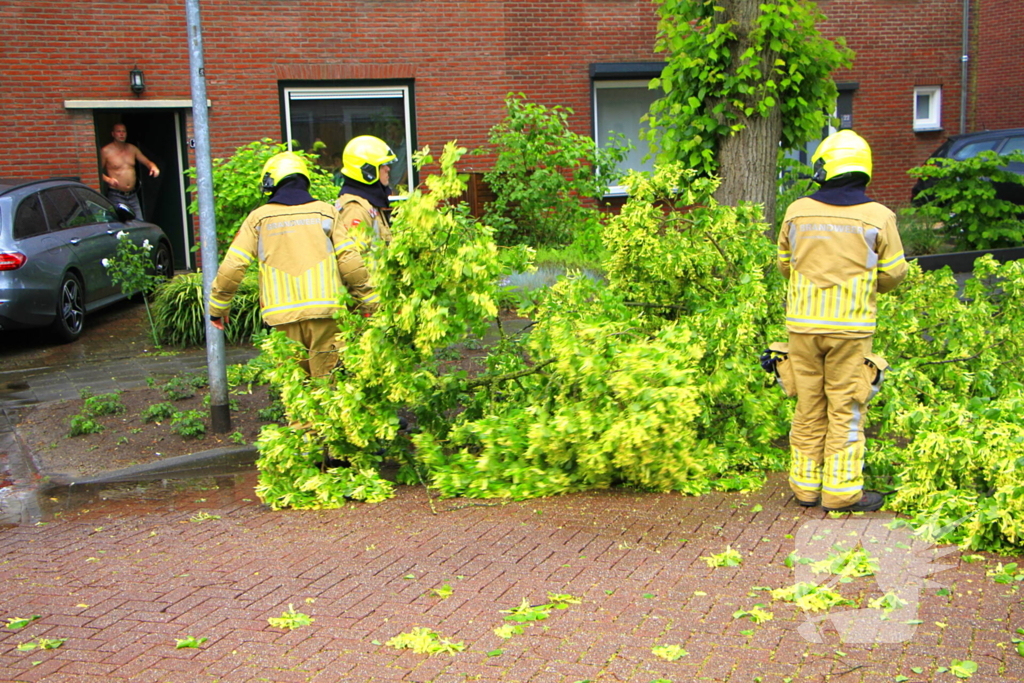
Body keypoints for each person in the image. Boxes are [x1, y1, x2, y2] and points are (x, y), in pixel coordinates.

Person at [776, 130, 908, 513]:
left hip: (802, 327)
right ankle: (841, 493)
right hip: (851, 330)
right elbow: (894, 273)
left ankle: (804, 488)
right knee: (846, 408)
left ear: (824, 168)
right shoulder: (879, 217)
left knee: (808, 405)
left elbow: (784, 265)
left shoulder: (796, 211)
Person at [208, 152, 378, 378]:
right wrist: (370, 303)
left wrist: (218, 307)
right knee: (328, 384)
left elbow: (234, 264)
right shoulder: (326, 212)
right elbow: (350, 260)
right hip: (325, 314)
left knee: (294, 387)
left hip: (282, 318)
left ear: (271, 183)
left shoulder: (258, 219)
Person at [335, 135, 397, 249]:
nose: (388, 169)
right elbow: (354, 256)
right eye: (382, 165)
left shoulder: (369, 202)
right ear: (368, 170)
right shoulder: (355, 209)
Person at [100, 123, 159, 220]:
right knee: (120, 224)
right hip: (116, 195)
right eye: (118, 131)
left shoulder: (132, 149)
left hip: (132, 195)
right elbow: (98, 172)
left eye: (124, 131)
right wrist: (108, 180)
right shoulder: (106, 151)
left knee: (140, 222)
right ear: (113, 134)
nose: (121, 134)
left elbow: (147, 162)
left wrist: (153, 167)